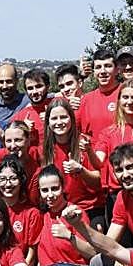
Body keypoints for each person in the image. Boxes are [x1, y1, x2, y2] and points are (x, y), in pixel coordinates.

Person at [43, 97, 106, 228]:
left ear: (71, 118)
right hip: (59, 209)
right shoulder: (44, 149)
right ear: (48, 122)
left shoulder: (85, 143)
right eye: (54, 118)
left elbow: (99, 182)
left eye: (63, 117)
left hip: (90, 208)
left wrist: (81, 170)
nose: (59, 122)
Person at [35, 167, 96, 266]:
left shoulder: (75, 213)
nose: (50, 195)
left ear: (63, 187)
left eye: (54, 189)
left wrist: (69, 236)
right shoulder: (43, 215)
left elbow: (91, 253)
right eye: (45, 190)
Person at [76, 47, 120, 137]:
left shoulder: (127, 94)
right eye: (98, 67)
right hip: (93, 150)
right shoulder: (86, 100)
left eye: (108, 66)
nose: (103, 71)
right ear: (94, 72)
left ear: (117, 70)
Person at [14, 68, 53, 142]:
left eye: (39, 86)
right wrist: (22, 131)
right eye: (30, 88)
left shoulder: (60, 106)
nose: (34, 91)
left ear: (48, 87)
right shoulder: (20, 117)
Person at [0, 63, 29, 129]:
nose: (5, 86)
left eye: (9, 81)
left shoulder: (28, 101)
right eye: (1, 82)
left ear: (16, 81)